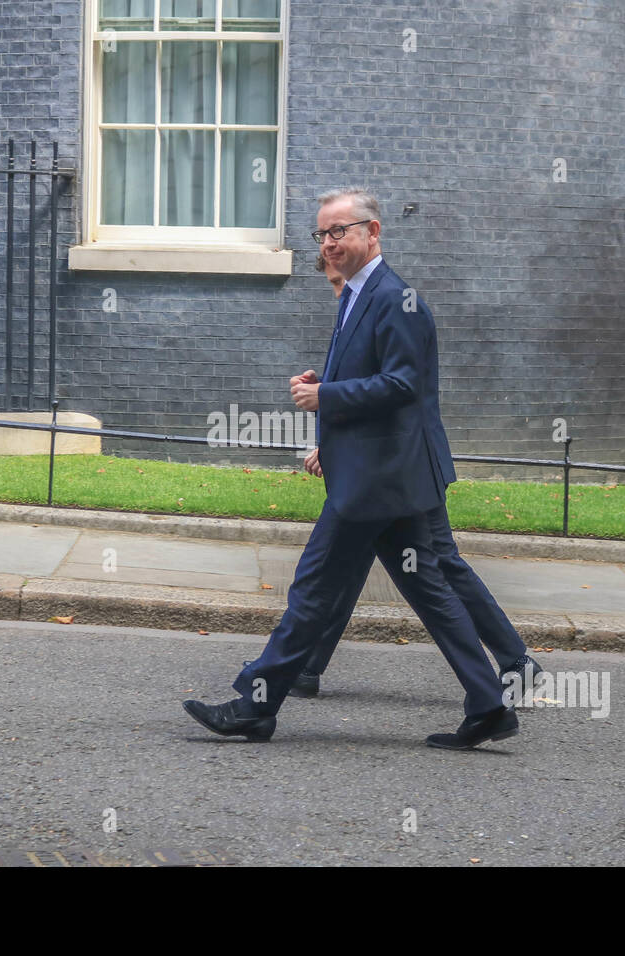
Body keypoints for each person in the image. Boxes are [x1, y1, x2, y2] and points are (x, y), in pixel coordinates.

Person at [182, 188, 521, 750]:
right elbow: (376, 372)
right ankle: (488, 704)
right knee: (429, 588)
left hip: (376, 480)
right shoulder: (360, 294)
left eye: (340, 231)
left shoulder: (396, 298)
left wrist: (328, 398)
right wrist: (326, 384)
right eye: (322, 234)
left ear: (373, 231)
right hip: (382, 475)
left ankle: (255, 705)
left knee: (314, 589)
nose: (330, 243)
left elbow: (405, 384)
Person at [290, 257, 542, 700]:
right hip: (377, 469)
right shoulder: (357, 304)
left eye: (338, 283)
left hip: (403, 468)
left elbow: (397, 391)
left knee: (436, 564)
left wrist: (329, 418)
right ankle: (308, 664)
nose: (337, 291)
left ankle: (512, 665)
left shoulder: (394, 303)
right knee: (349, 565)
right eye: (331, 285)